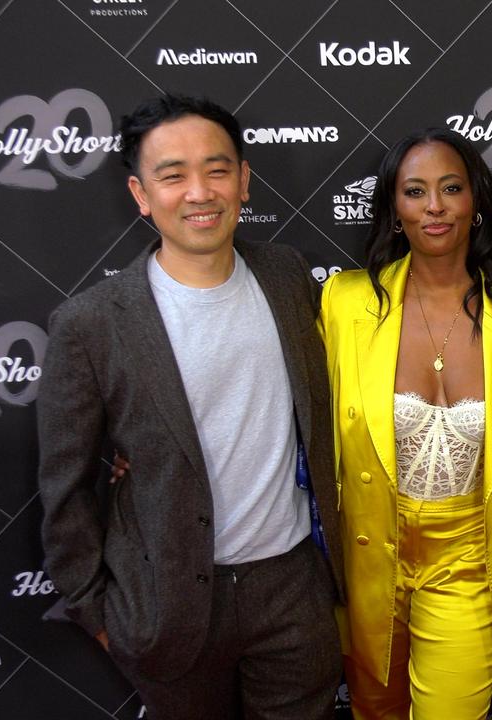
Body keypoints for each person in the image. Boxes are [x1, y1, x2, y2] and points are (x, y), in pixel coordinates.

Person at [37, 94, 343, 719]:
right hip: (167, 603)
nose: (200, 191)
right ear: (141, 194)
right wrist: (100, 614)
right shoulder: (91, 323)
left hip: (293, 591)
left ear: (245, 181)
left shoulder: (288, 277)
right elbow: (63, 489)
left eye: (217, 169)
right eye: (173, 175)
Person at [319, 127, 492, 720]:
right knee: (375, 711)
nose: (434, 206)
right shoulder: (344, 303)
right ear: (392, 207)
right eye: (415, 191)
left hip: (472, 555)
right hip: (370, 551)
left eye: (451, 188)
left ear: (475, 200)